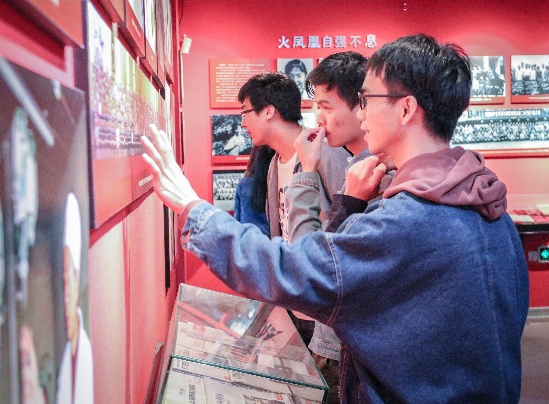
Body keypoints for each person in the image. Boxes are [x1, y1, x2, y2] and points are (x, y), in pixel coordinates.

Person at [141, 34, 529, 402]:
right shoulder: (490, 210)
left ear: (406, 108)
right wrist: (350, 205)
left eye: (367, 99)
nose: (361, 113)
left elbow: (295, 268)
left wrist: (193, 210)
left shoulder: (405, 219)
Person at [284, 51, 392, 403]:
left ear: (360, 105)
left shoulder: (376, 175)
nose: (319, 117)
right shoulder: (357, 165)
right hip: (341, 339)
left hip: (350, 346)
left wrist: (307, 171)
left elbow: (310, 263)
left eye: (327, 107)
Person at [238, 72, 349, 343]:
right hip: (296, 305)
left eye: (245, 112)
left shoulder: (327, 154)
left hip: (328, 310)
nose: (242, 123)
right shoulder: (274, 164)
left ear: (268, 111)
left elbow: (348, 224)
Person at [56, 193, 93, 404]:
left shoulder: (84, 353)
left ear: (77, 278)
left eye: (69, 278)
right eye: (63, 281)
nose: (67, 294)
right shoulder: (64, 356)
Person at [233, 145, 276, 237]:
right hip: (273, 242)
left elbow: (237, 220)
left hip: (248, 240)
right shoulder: (277, 184)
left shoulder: (244, 184)